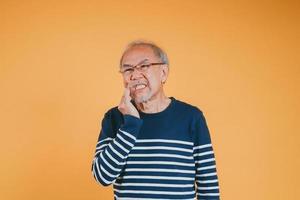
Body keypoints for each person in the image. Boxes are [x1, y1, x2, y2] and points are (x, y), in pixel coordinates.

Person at [91, 40, 220, 200]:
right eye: (128, 69)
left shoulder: (191, 117)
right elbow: (102, 177)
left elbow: (208, 185)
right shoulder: (114, 117)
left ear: (163, 73)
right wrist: (130, 125)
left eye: (144, 66)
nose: (135, 75)